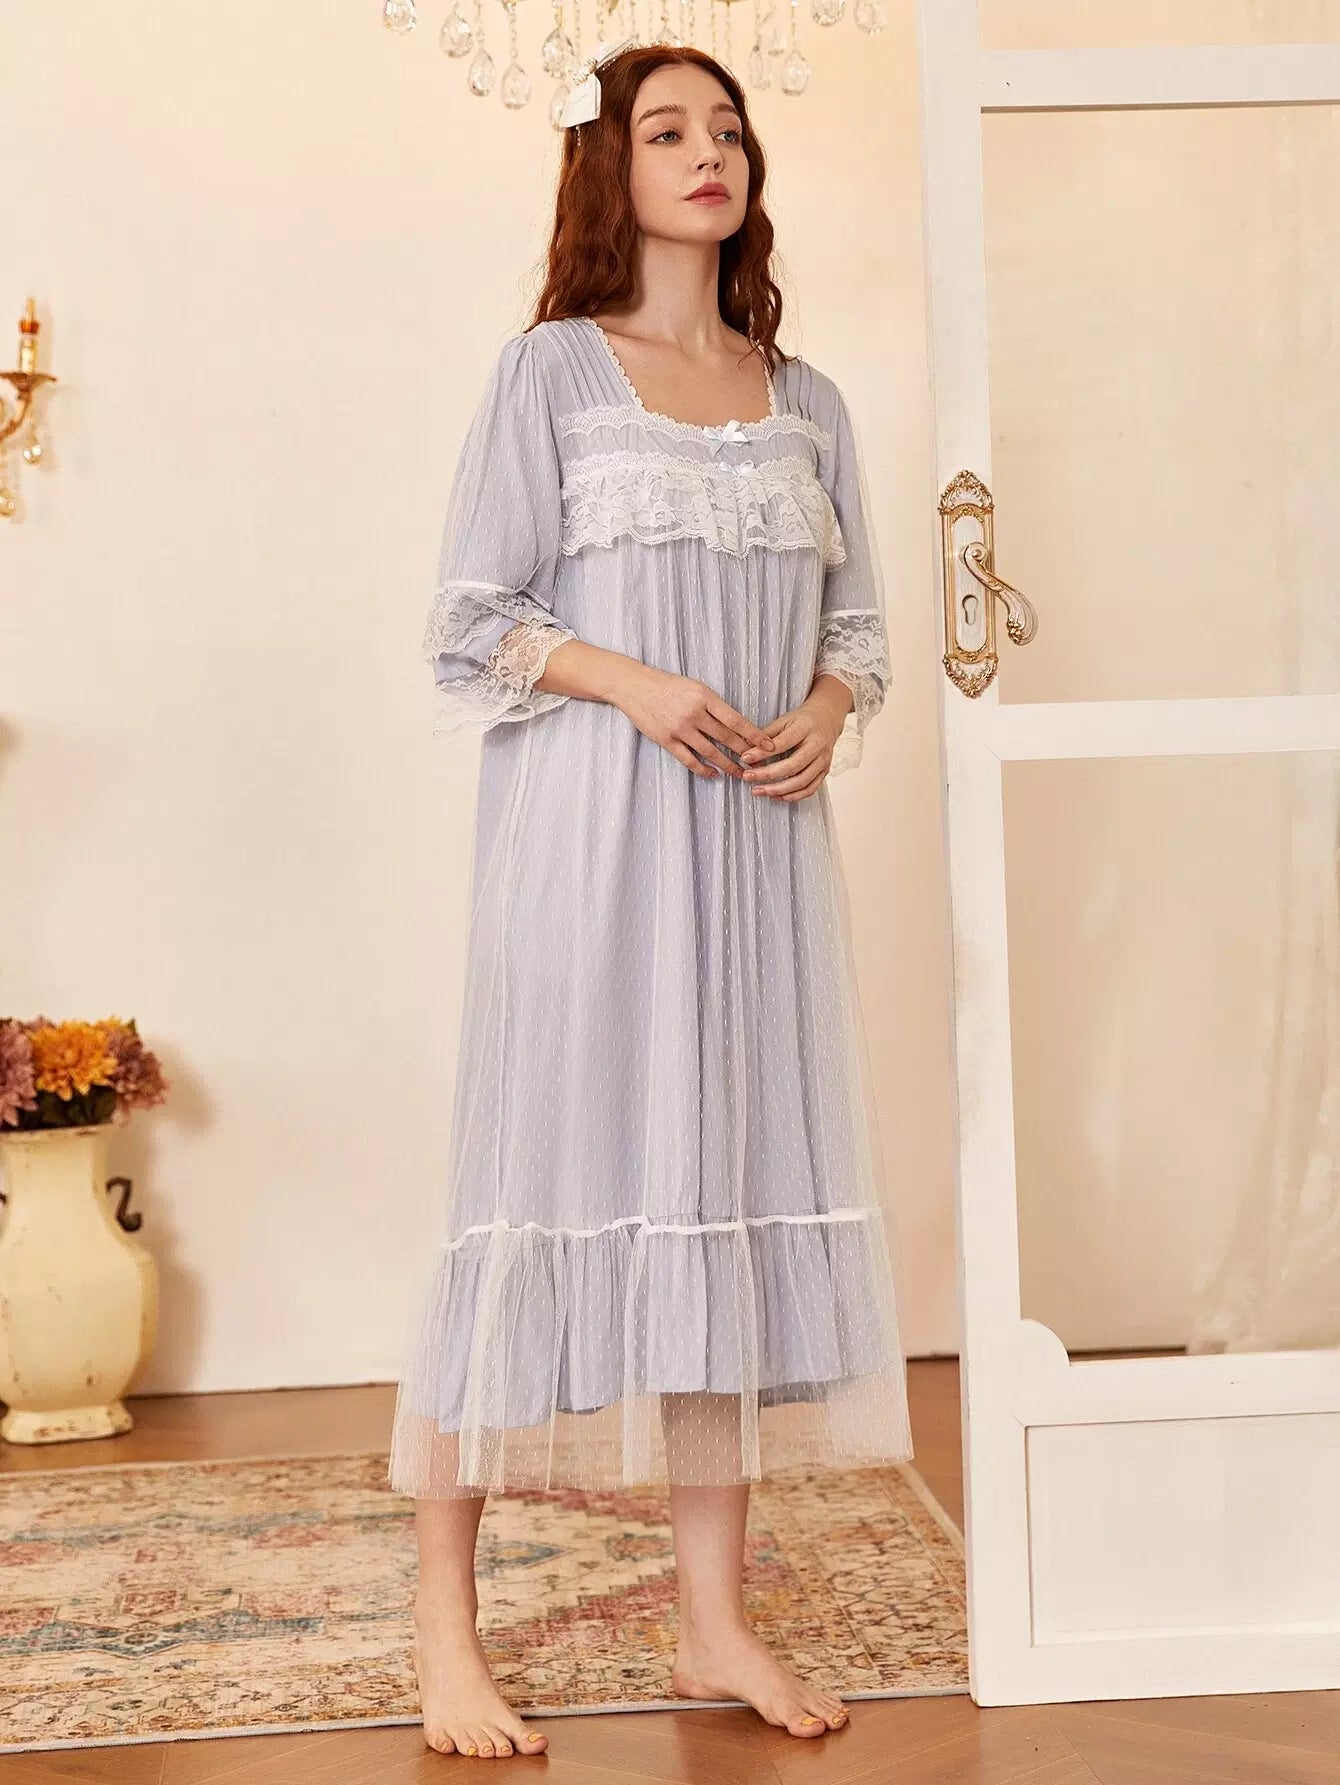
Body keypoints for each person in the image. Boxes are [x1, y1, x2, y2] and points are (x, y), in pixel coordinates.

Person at [389, 41, 914, 1761]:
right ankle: (445, 1625)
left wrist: (823, 713)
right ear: (606, 169)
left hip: (752, 859)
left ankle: (711, 1618)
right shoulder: (550, 371)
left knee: (717, 1200)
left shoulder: (805, 395)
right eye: (668, 129)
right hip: (591, 844)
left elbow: (857, 631)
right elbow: (472, 621)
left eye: (729, 128)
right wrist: (635, 682)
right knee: (524, 1204)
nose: (710, 152)